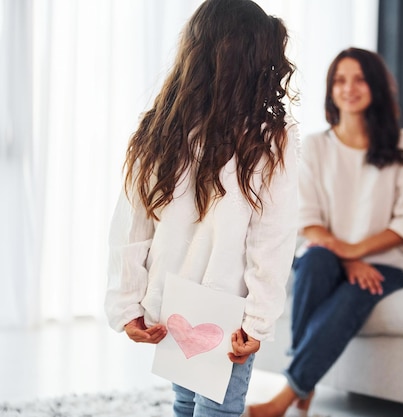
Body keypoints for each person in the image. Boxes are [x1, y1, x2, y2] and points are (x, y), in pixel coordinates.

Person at [103, 1, 299, 416]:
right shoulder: (268, 140)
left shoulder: (160, 127)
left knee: (187, 400)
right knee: (214, 408)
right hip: (225, 313)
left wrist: (128, 303)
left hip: (177, 302)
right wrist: (259, 319)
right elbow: (273, 239)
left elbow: (130, 227)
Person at [245, 47, 403, 417]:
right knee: (313, 264)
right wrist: (347, 258)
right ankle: (305, 383)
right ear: (331, 90)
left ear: (375, 86)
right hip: (324, 254)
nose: (349, 88)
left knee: (355, 289)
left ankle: (286, 398)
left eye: (359, 79)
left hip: (386, 264)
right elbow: (307, 219)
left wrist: (356, 252)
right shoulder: (315, 146)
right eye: (340, 80)